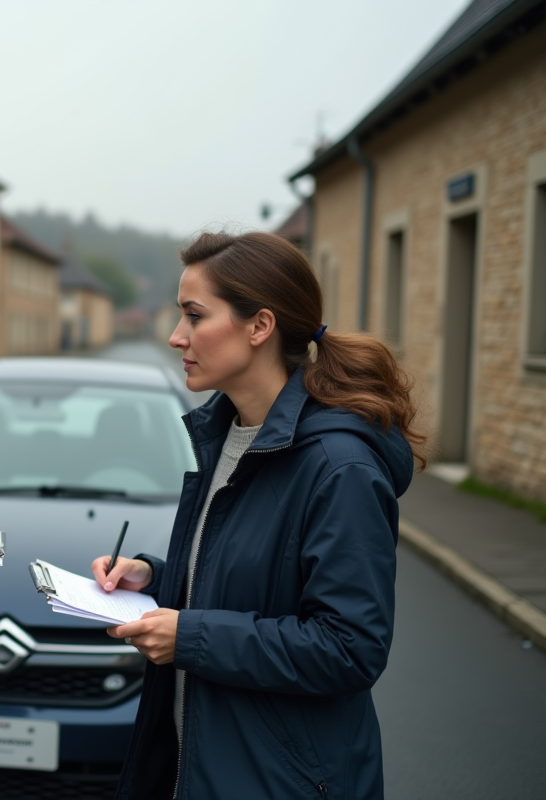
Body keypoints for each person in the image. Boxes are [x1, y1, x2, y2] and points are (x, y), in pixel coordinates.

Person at [92, 231, 424, 799]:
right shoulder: (227, 435)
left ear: (259, 326)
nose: (176, 336)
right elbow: (250, 583)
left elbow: (350, 648)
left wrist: (189, 637)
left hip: (282, 783)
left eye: (195, 316)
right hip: (203, 770)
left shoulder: (338, 468)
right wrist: (154, 577)